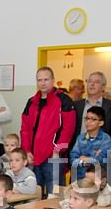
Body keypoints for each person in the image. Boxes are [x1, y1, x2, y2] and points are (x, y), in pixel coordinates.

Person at [20, 66, 76, 199]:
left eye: (46, 79)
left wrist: (58, 150)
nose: (43, 83)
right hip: (33, 157)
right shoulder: (31, 102)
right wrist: (26, 151)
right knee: (33, 196)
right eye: (39, 80)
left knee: (55, 197)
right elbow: (25, 129)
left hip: (54, 157)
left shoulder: (64, 100)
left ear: (53, 80)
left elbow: (69, 130)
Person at [72, 71, 111, 156]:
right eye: (90, 81)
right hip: (79, 155)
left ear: (103, 87)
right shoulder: (76, 105)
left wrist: (109, 153)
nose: (92, 84)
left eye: (96, 82)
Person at [69, 106, 111, 180]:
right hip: (80, 177)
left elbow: (102, 159)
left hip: (97, 178)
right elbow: (73, 158)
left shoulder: (105, 138)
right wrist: (85, 162)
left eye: (93, 119)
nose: (88, 122)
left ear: (101, 123)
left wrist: (85, 159)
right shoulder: (80, 137)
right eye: (87, 118)